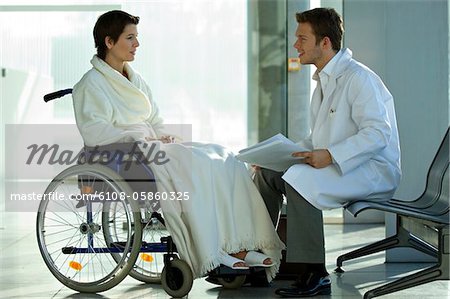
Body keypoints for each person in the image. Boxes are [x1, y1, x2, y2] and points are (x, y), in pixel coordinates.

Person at [72, 10, 285, 281]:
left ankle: (238, 244)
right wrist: (136, 137)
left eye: (137, 37)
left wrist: (164, 136)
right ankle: (211, 248)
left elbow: (155, 118)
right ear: (109, 42)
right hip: (122, 152)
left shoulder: (135, 79)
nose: (137, 44)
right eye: (130, 38)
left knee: (221, 156)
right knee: (192, 164)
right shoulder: (90, 84)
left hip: (150, 147)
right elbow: (94, 131)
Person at [253, 7, 401, 297]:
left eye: (302, 39)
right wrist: (275, 157)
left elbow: (378, 133)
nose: (296, 45)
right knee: (268, 175)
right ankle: (262, 258)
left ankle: (314, 272)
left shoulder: (359, 79)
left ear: (325, 42)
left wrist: (331, 155)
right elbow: (318, 139)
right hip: (343, 164)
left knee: (300, 181)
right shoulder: (324, 81)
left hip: (372, 169)